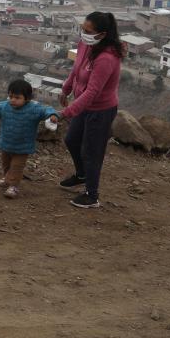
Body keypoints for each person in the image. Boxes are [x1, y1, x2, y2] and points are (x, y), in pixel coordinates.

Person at [57, 11, 123, 209]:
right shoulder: (86, 44)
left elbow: (93, 91)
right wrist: (66, 88)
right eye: (83, 29)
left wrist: (66, 113)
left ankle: (92, 195)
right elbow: (76, 69)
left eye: (88, 31)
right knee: (71, 140)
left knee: (92, 152)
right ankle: (82, 175)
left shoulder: (106, 58)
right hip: (84, 104)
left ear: (102, 34)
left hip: (101, 110)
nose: (83, 33)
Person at [0, 79, 59, 199]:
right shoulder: (5, 106)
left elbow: (46, 109)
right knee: (6, 164)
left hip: (22, 147)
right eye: (10, 96)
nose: (13, 100)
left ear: (27, 98)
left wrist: (53, 115)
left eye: (17, 97)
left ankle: (13, 186)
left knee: (17, 167)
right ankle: (7, 177)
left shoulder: (33, 109)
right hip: (6, 143)